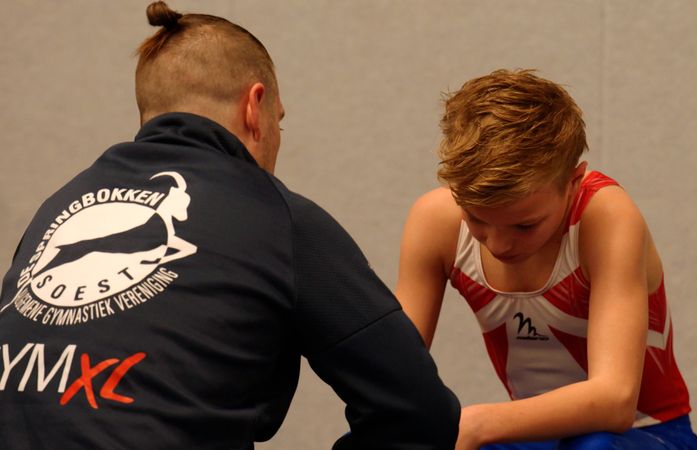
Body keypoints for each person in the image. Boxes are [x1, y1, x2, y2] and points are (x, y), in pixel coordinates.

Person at [0, 2, 459, 449]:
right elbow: (421, 414)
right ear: (254, 107)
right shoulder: (280, 218)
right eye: (280, 123)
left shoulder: (57, 207)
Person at [396, 69, 697, 449]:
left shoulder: (604, 217)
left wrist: (474, 423)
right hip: (536, 438)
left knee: (593, 447)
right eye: (476, 218)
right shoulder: (434, 220)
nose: (499, 244)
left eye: (524, 226)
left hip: (646, 432)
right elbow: (395, 379)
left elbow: (615, 401)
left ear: (573, 184)